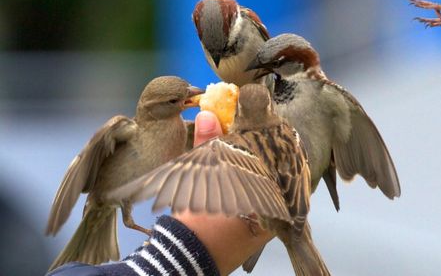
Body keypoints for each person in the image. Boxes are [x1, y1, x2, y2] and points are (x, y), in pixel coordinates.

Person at [48, 111, 274, 276]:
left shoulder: (178, 132)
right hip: (100, 199)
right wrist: (179, 249)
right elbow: (80, 162)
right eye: (177, 100)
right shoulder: (123, 129)